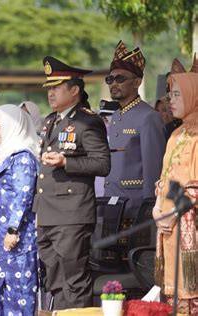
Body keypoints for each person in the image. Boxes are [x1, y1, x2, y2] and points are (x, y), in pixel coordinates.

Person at [33, 56, 111, 309]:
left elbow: (102, 164)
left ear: (75, 89)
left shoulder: (87, 121)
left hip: (72, 214)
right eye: (49, 88)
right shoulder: (50, 121)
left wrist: (67, 163)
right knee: (55, 277)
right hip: (48, 213)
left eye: (56, 87)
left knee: (75, 279)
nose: (51, 93)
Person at [0, 104, 40, 315]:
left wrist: (13, 230)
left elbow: (23, 196)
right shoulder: (3, 155)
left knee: (18, 293)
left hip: (17, 237)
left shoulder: (23, 157)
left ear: (13, 127)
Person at [153, 62, 198, 316]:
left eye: (178, 94)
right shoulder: (175, 134)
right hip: (168, 230)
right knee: (172, 294)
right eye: (170, 93)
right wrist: (158, 208)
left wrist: (173, 212)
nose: (171, 100)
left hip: (190, 227)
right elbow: (165, 180)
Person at [104, 40, 166, 222]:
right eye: (110, 79)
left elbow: (153, 168)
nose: (113, 83)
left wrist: (149, 207)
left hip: (135, 205)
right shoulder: (115, 116)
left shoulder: (149, 117)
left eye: (120, 78)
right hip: (111, 202)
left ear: (137, 82)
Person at [95, 100, 120, 197]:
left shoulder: (123, 142)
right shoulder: (97, 141)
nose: (104, 122)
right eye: (103, 118)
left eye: (107, 119)